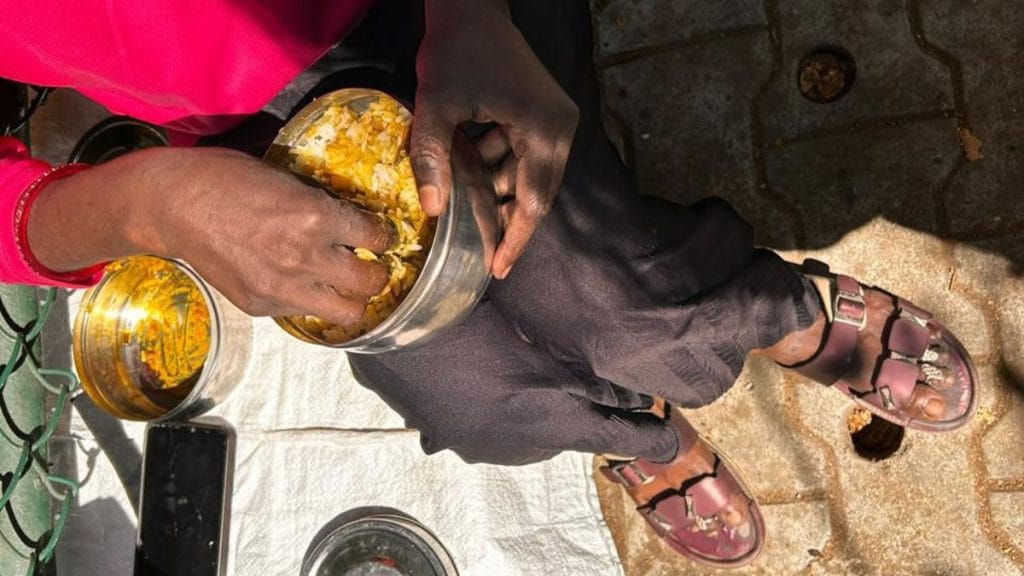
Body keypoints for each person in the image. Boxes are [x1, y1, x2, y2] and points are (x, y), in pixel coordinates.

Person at [0, 0, 976, 567]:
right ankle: (637, 432)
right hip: (234, 139)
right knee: (477, 405)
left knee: (632, 313)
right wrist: (148, 204)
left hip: (428, 14)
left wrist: (467, 13)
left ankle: (791, 315)